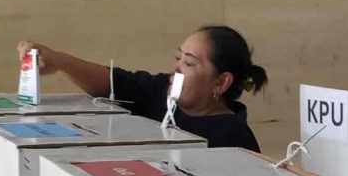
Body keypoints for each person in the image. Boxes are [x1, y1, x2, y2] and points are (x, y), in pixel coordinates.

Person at [17, 25, 267, 151]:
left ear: (221, 82)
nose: (176, 69)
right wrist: (61, 61)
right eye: (177, 58)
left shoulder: (233, 137)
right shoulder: (161, 91)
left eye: (189, 63)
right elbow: (114, 83)